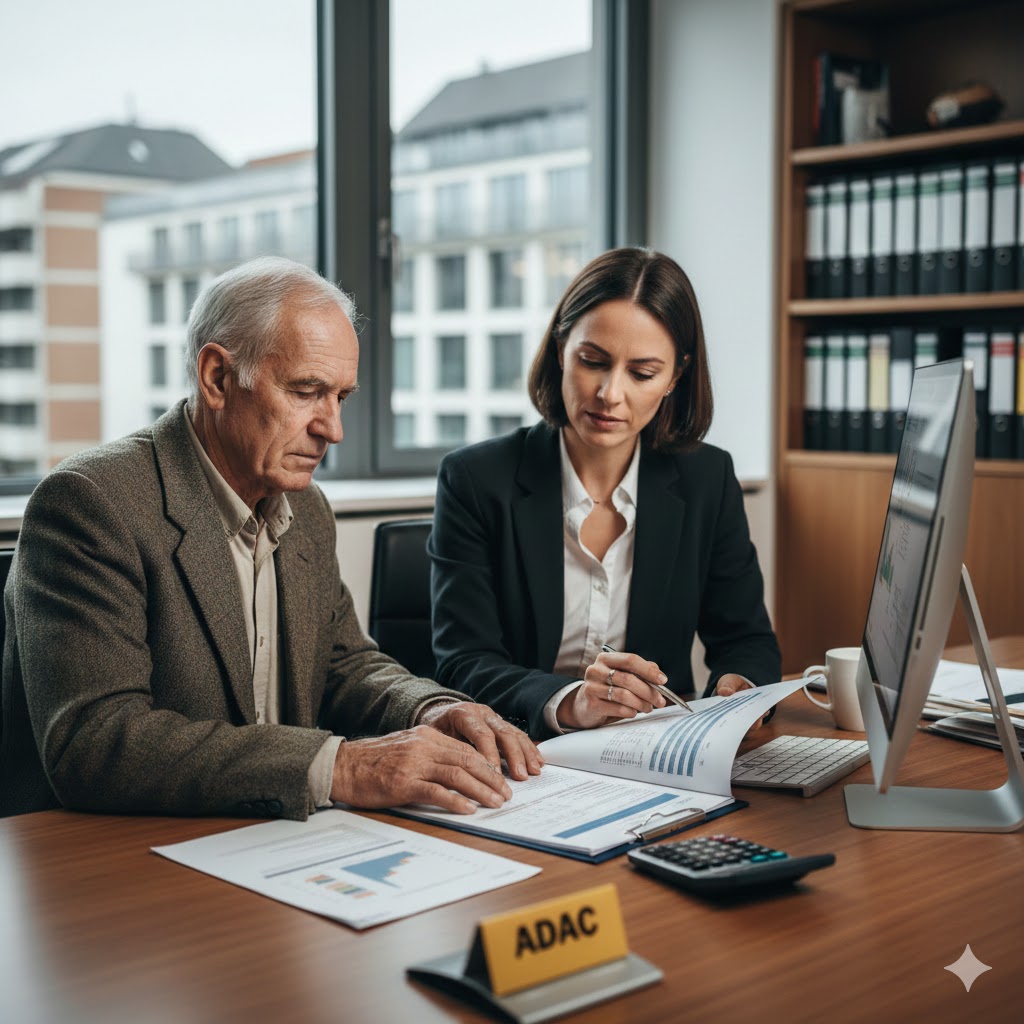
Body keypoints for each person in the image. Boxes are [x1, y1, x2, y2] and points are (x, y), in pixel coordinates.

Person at [0, 256, 541, 820]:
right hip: (107, 856)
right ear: (217, 378)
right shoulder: (91, 503)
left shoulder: (306, 507)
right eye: (307, 391)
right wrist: (344, 766)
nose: (333, 429)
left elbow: (342, 665)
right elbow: (97, 743)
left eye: (342, 397)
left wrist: (427, 708)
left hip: (270, 839)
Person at [429, 247, 781, 738]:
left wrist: (736, 686)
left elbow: (746, 639)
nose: (610, 394)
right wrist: (571, 702)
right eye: (593, 361)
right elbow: (463, 661)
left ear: (674, 378)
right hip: (524, 751)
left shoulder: (708, 478)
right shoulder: (475, 479)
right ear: (560, 350)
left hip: (659, 749)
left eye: (642, 373)